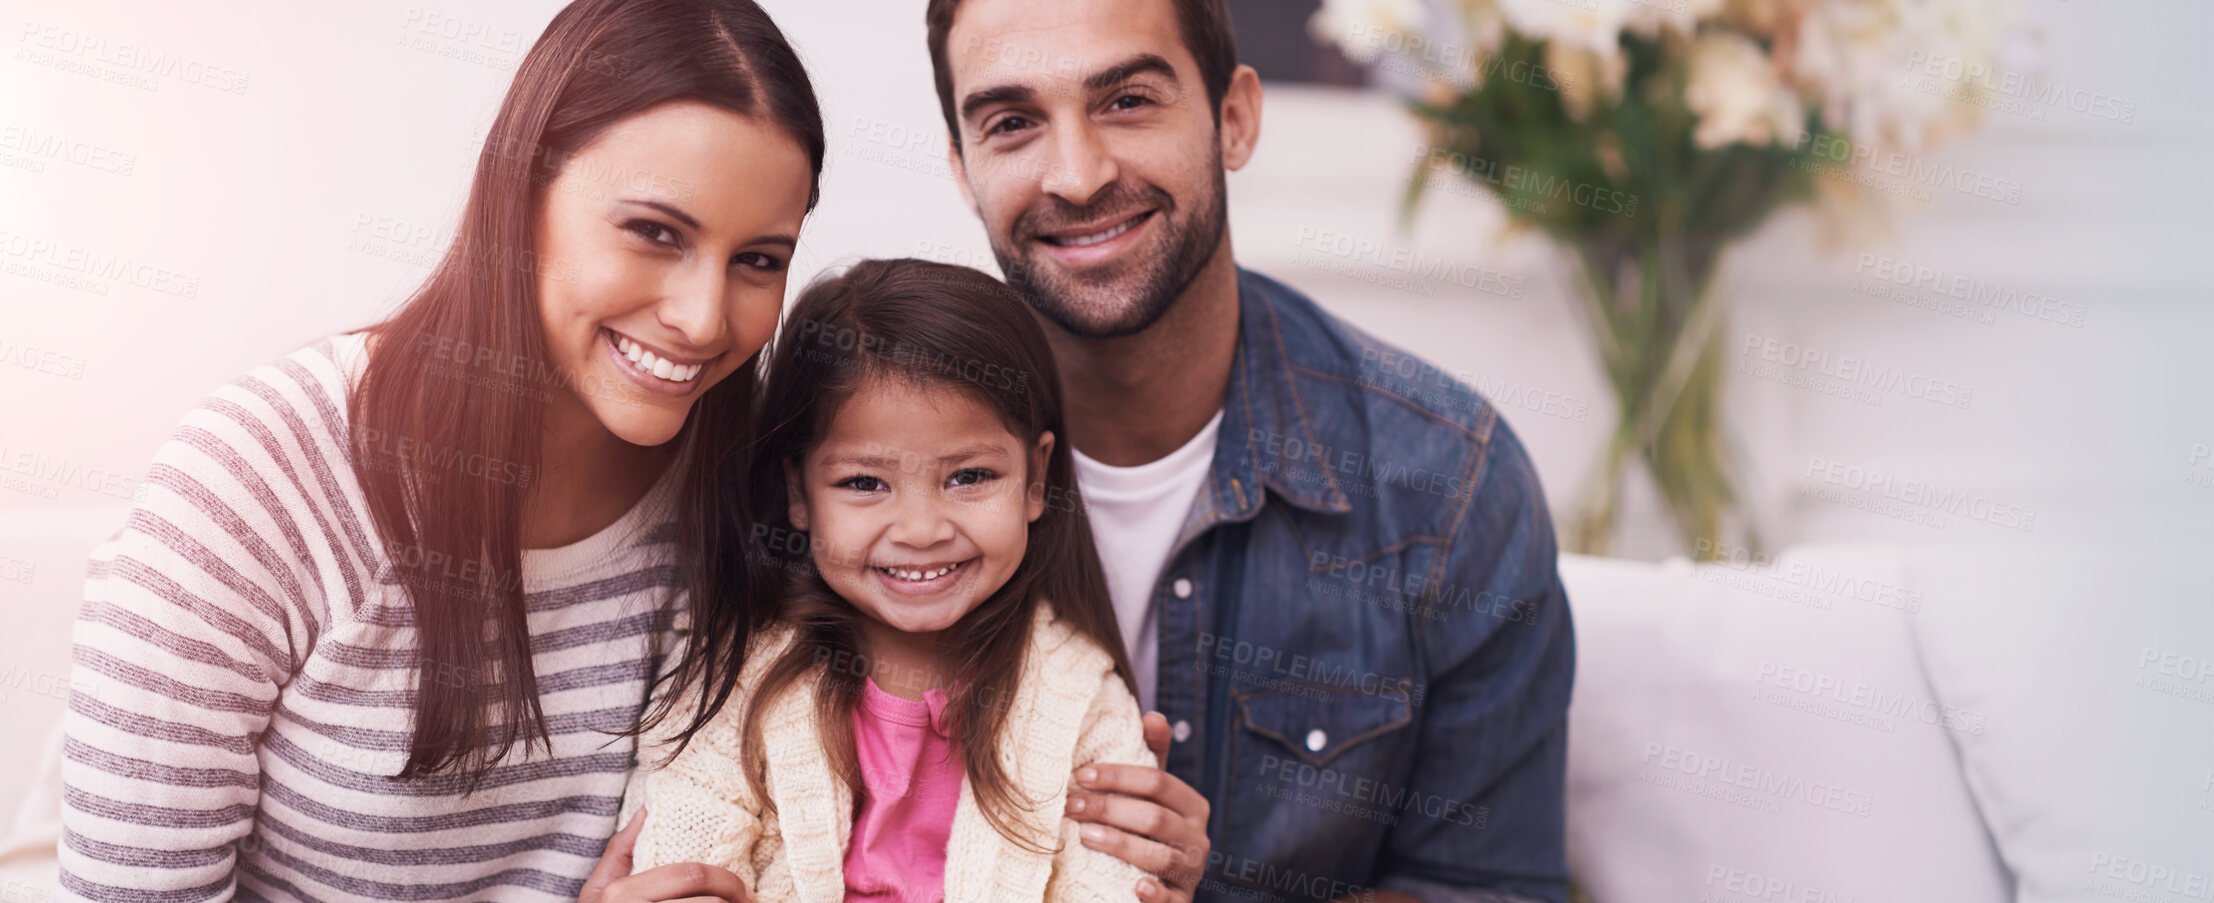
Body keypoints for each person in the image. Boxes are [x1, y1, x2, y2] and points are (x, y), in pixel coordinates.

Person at [52, 0, 825, 900]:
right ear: (519, 193)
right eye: (655, 233)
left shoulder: (755, 486)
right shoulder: (258, 479)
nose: (702, 317)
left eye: (760, 260)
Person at [921, 1, 1579, 901]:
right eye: (1012, 123)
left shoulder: (1449, 484)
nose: (1075, 175)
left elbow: (1482, 888)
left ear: (1234, 118)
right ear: (963, 168)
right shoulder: (852, 473)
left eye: (1127, 102)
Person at [626, 258, 1153, 903]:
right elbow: (680, 855)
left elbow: (1111, 885)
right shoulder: (734, 675)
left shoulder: (1081, 696)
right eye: (864, 483)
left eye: (969, 477)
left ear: (1036, 479)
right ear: (800, 491)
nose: (922, 529)